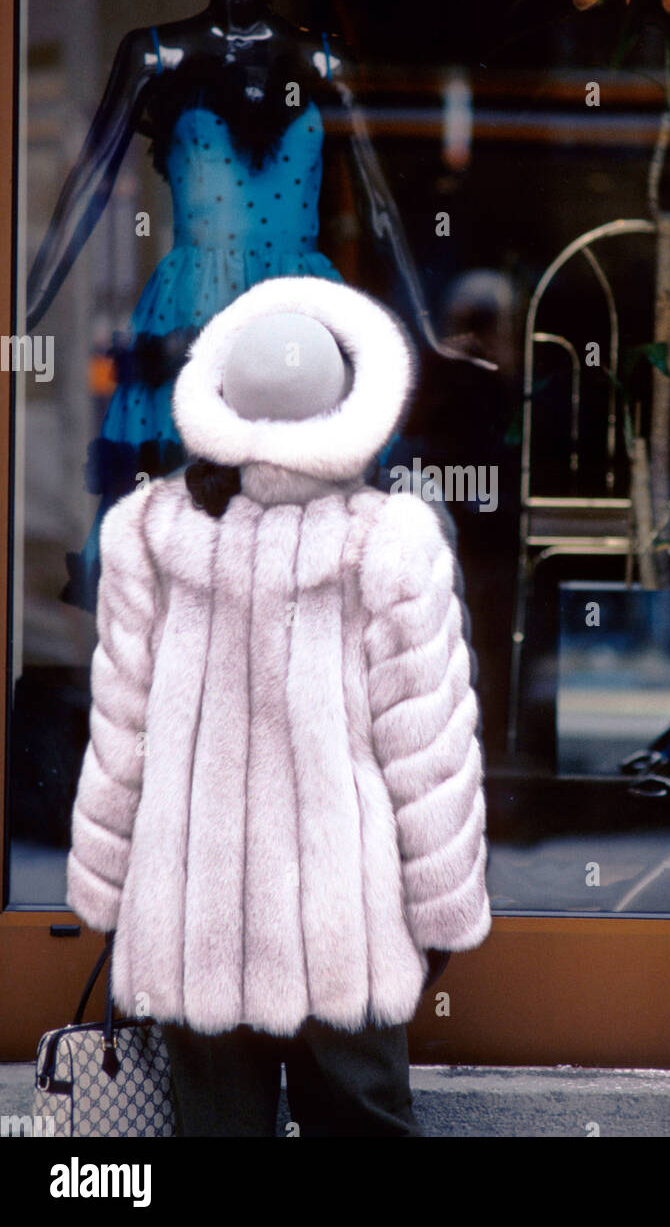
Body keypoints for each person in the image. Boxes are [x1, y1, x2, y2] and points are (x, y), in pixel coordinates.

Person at [65, 275, 492, 1137]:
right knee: (365, 1124)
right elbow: (428, 746)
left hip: (193, 930)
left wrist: (107, 895)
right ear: (354, 401)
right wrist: (442, 908)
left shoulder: (146, 530)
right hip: (347, 924)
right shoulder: (391, 539)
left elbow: (121, 730)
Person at [26, 0, 475, 612]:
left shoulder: (323, 58)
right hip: (193, 311)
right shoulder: (154, 54)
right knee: (179, 539)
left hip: (300, 312)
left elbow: (383, 208)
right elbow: (86, 194)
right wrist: (23, 315)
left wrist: (426, 332)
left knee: (305, 539)